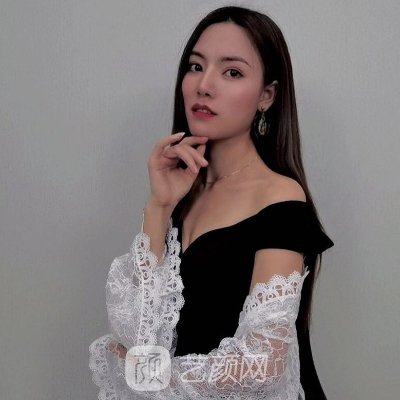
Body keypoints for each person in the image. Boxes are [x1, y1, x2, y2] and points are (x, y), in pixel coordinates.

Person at [89, 5, 334, 400]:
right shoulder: (180, 195)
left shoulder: (281, 199)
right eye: (196, 66)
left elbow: (261, 364)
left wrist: (145, 374)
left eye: (232, 72)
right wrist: (159, 206)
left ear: (267, 96)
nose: (204, 85)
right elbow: (136, 331)